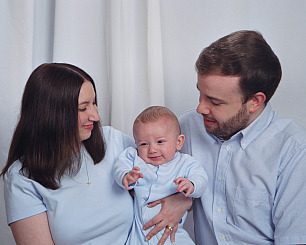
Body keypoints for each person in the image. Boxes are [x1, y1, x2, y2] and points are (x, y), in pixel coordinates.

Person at [1, 63, 188, 245]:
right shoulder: (22, 178)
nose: (95, 116)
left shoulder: (112, 141)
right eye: (83, 108)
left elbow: (174, 170)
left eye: (94, 103)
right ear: (52, 114)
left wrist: (181, 202)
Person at [179, 30, 306, 244]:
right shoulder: (186, 127)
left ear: (254, 102)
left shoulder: (293, 151)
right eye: (199, 93)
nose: (200, 108)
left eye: (215, 101)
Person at [114, 106, 208, 245]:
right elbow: (119, 166)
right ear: (136, 144)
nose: (152, 149)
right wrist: (126, 176)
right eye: (144, 144)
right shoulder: (134, 157)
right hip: (139, 235)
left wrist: (191, 184)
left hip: (173, 235)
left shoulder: (185, 163)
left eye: (160, 142)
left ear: (178, 142)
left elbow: (201, 178)